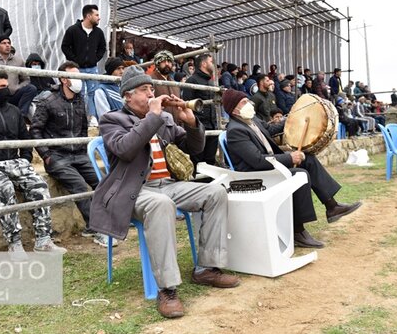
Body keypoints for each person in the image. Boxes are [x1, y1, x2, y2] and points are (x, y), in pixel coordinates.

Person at [90, 66, 240, 319]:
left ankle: (206, 268)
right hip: (134, 190)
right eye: (143, 90)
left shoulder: (164, 119)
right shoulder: (112, 120)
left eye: (151, 88)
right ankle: (167, 288)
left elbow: (195, 148)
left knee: (215, 192)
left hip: (169, 184)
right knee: (160, 204)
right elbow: (124, 149)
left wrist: (191, 122)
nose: (151, 93)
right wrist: (153, 117)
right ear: (127, 96)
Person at [222, 89, 362, 249]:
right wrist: (290, 158)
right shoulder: (235, 131)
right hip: (257, 176)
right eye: (244, 102)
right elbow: (257, 161)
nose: (249, 104)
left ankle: (332, 207)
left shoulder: (251, 120)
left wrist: (294, 119)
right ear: (234, 108)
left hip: (270, 167)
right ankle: (297, 230)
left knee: (308, 159)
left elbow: (269, 130)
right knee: (299, 174)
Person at [0, 71, 66, 260]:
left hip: (14, 162)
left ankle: (44, 240)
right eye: (2, 87)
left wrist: (25, 158)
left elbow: (25, 139)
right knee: (5, 189)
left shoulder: (14, 111)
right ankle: (14, 243)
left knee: (39, 186)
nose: (7, 90)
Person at [30, 61, 110, 245]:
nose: (79, 79)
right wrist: (47, 155)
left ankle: (111, 222)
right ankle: (96, 228)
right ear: (63, 79)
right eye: (74, 75)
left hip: (79, 155)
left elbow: (83, 127)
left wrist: (82, 149)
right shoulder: (48, 101)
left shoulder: (81, 100)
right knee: (80, 187)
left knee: (103, 182)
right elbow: (35, 130)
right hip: (57, 157)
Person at [60, 4, 107, 125]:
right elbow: (65, 46)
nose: (99, 18)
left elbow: (103, 48)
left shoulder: (98, 32)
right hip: (77, 70)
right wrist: (75, 61)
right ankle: (78, 119)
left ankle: (92, 119)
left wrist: (95, 59)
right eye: (96, 15)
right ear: (88, 16)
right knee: (77, 93)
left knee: (93, 93)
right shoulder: (73, 30)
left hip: (92, 68)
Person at [0, 37, 37, 118]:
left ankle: (21, 116)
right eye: (4, 43)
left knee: (31, 89)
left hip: (13, 94)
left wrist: (17, 87)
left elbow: (26, 79)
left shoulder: (19, 61)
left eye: (9, 43)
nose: (7, 45)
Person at [182, 53, 219, 167]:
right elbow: (187, 103)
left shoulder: (210, 81)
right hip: (199, 127)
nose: (213, 65)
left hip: (212, 125)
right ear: (203, 64)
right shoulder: (192, 80)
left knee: (210, 159)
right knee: (198, 160)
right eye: (211, 62)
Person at [151, 50, 183, 123]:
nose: (167, 64)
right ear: (157, 63)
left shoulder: (175, 84)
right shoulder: (150, 81)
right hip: (158, 125)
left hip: (175, 126)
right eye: (163, 61)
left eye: (169, 61)